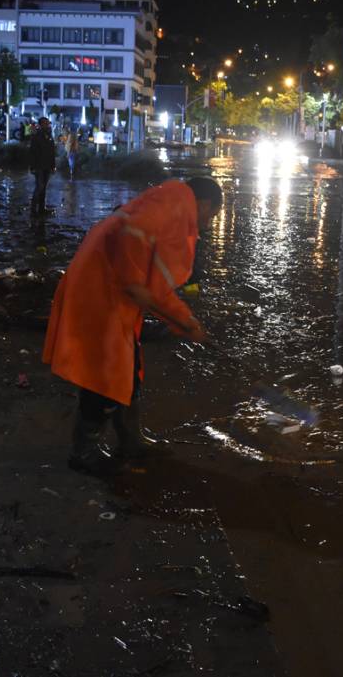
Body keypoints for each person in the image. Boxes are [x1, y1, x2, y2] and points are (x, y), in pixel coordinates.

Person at [42, 177, 224, 474]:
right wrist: (135, 282)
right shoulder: (172, 205)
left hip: (111, 292)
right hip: (100, 293)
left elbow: (153, 288)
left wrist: (185, 321)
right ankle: (83, 452)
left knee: (129, 368)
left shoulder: (171, 202)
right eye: (212, 215)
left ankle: (131, 440)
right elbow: (134, 242)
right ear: (203, 204)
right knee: (103, 376)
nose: (207, 224)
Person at [29, 117, 56, 215]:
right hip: (39, 166)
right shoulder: (36, 136)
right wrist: (33, 167)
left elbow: (52, 152)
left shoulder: (49, 135)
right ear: (41, 125)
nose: (47, 125)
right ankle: (33, 210)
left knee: (43, 188)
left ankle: (41, 208)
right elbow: (32, 153)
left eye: (48, 123)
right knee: (39, 187)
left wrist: (53, 165)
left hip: (47, 166)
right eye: (45, 123)